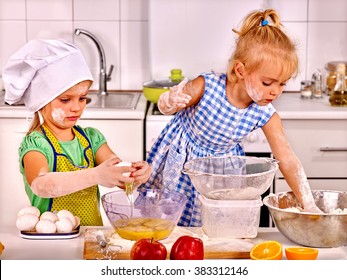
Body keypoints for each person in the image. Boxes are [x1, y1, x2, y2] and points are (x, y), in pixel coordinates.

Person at [142, 9, 321, 227]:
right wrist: (169, 102)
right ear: (240, 70)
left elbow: (288, 160)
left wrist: (308, 203)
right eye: (268, 83)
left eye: (282, 83)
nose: (276, 92)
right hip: (179, 163)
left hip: (221, 175)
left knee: (211, 230)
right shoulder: (206, 86)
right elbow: (165, 106)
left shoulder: (265, 113)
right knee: (166, 224)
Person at [2, 39, 151, 226]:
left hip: (91, 238)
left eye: (82, 98)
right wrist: (96, 175)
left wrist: (135, 175)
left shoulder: (91, 138)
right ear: (41, 101)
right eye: (65, 100)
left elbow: (117, 173)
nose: (76, 108)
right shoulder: (36, 144)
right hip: (55, 241)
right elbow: (41, 185)